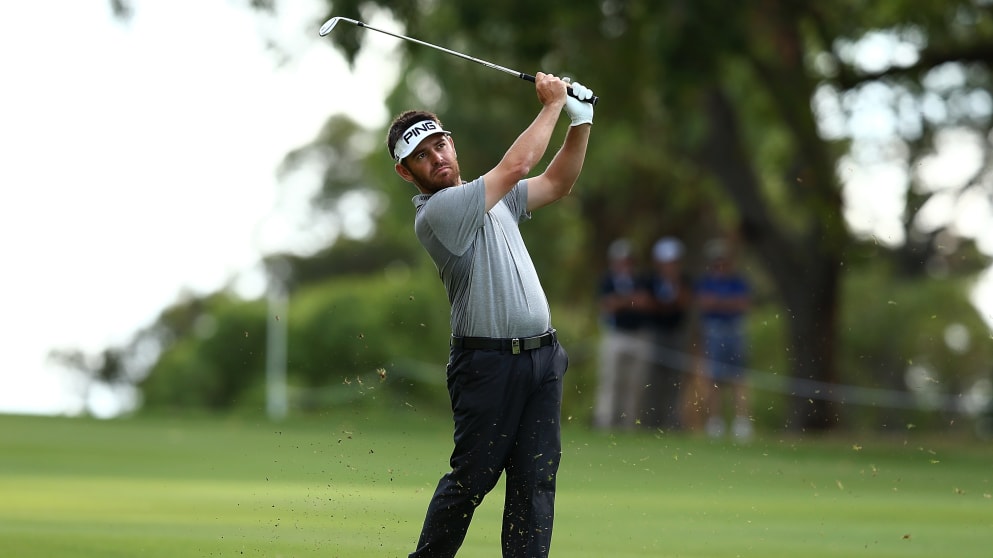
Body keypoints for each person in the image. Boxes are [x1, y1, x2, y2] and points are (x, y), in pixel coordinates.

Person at [387, 73, 594, 558]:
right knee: (471, 482)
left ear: (452, 145)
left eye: (439, 144)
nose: (436, 157)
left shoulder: (495, 200)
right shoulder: (439, 212)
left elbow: (558, 182)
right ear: (406, 172)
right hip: (487, 368)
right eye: (421, 155)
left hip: (543, 360)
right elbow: (520, 163)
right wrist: (553, 105)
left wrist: (579, 122)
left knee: (535, 483)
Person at [593, 238, 653, 430]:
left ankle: (629, 423)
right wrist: (629, 301)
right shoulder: (607, 280)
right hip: (615, 335)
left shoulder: (641, 279)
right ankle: (605, 421)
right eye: (621, 261)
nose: (625, 264)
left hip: (638, 335)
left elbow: (646, 303)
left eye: (628, 260)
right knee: (610, 381)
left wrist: (622, 302)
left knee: (635, 383)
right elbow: (608, 304)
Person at [695, 239, 752, 441]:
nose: (720, 264)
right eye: (716, 261)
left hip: (735, 331)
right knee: (713, 379)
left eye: (722, 260)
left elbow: (742, 305)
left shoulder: (737, 281)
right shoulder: (707, 281)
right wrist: (727, 304)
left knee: (738, 378)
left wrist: (719, 303)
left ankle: (742, 422)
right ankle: (715, 422)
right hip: (714, 331)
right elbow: (705, 304)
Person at [643, 236, 693, 431]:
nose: (670, 266)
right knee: (653, 381)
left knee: (675, 381)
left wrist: (661, 305)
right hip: (654, 334)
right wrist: (663, 306)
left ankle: (672, 423)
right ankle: (650, 423)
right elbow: (647, 305)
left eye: (673, 262)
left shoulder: (683, 280)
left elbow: (683, 303)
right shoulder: (650, 280)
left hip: (676, 335)